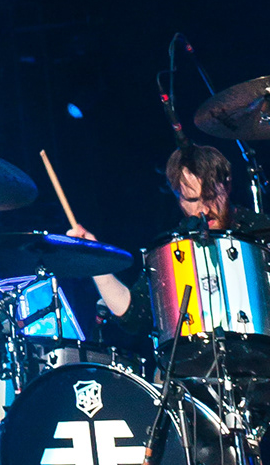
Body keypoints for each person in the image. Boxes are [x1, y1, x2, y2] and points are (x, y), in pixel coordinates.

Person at [63, 140, 235, 328]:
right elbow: (134, 314)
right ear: (179, 198)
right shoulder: (172, 247)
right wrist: (95, 259)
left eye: (210, 197)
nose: (204, 210)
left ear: (227, 185)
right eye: (192, 200)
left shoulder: (256, 230)